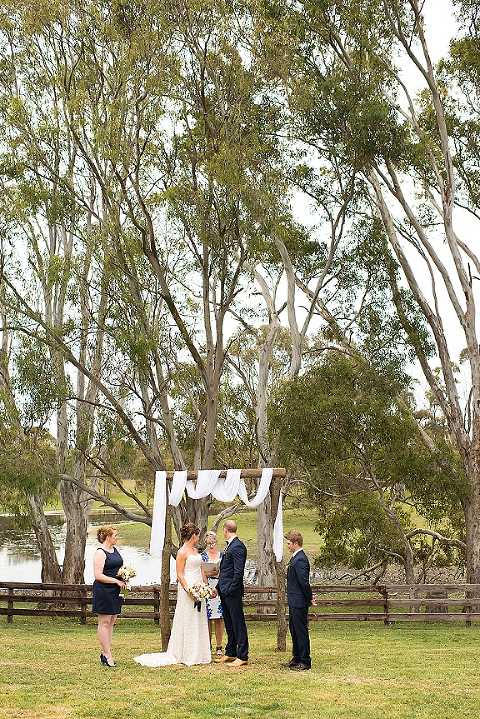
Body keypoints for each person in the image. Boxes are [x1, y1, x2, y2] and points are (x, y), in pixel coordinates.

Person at [134, 522, 212, 667]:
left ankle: (200, 653)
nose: (198, 537)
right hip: (188, 588)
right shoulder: (182, 552)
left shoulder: (196, 551)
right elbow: (180, 574)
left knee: (199, 618)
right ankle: (187, 653)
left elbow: (201, 570)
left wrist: (205, 587)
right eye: (197, 535)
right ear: (193, 535)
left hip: (199, 587)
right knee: (188, 618)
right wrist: (189, 590)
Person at [216, 519, 248, 668]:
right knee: (229, 622)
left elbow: (238, 573)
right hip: (224, 591)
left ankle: (242, 655)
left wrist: (229, 589)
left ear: (225, 530)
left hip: (232, 592)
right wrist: (218, 587)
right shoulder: (229, 546)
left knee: (237, 622)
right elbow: (225, 571)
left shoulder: (238, 547)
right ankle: (230, 651)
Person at [92, 525, 125, 668]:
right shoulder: (100, 553)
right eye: (115, 535)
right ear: (107, 537)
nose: (117, 538)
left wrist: (124, 576)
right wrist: (115, 581)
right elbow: (98, 575)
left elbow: (117, 568)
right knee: (104, 622)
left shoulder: (115, 550)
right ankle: (107, 654)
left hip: (115, 591)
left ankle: (106, 651)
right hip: (104, 590)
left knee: (111, 622)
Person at [285, 530, 316, 671]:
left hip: (299, 601)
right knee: (294, 629)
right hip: (293, 600)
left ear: (296, 543)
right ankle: (296, 657)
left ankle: (305, 660)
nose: (287, 545)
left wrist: (309, 598)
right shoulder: (295, 558)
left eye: (289, 543)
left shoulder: (301, 559)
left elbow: (304, 583)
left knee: (300, 630)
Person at [201, 530, 224, 656]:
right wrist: (207, 588)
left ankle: (219, 646)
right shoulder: (203, 556)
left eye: (213, 542)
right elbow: (202, 572)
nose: (211, 545)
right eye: (209, 543)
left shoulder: (222, 555)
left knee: (219, 618)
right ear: (206, 542)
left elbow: (225, 570)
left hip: (220, 587)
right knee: (208, 618)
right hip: (208, 587)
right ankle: (207, 644)